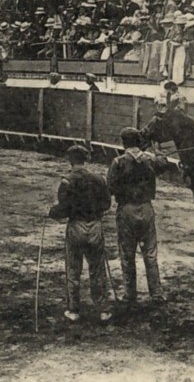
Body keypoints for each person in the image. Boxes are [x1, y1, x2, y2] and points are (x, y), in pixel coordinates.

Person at [48, 144, 113, 323]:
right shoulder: (98, 179)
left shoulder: (67, 181)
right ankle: (103, 310)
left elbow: (63, 209)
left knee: (73, 268)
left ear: (70, 160)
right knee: (98, 268)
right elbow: (107, 204)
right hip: (95, 226)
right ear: (86, 159)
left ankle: (74, 310)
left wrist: (51, 212)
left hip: (76, 226)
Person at [107, 128, 171, 304]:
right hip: (146, 207)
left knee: (127, 253)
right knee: (150, 252)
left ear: (123, 142)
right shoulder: (149, 159)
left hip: (126, 209)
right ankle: (157, 293)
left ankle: (130, 294)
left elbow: (110, 188)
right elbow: (163, 163)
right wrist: (156, 149)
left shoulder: (118, 162)